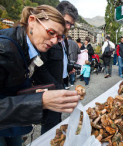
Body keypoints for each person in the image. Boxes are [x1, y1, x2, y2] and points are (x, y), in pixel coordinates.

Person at [0, 5, 80, 145]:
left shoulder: (30, 43)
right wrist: (40, 101)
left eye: (59, 37)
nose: (55, 41)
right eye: (51, 32)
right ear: (32, 20)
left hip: (11, 122)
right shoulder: (4, 49)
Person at [32, 1, 79, 134]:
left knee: (57, 121)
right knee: (50, 127)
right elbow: (39, 68)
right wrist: (56, 87)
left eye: (71, 24)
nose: (69, 27)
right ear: (57, 16)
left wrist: (69, 67)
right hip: (50, 90)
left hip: (60, 84)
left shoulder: (63, 39)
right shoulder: (49, 38)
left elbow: (60, 59)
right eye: (67, 22)